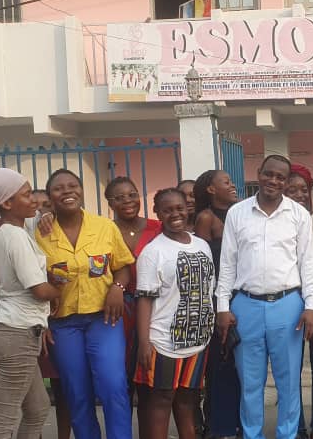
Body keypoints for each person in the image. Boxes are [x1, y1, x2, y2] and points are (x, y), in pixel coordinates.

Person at [215, 154, 313, 439]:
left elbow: (308, 264)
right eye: (269, 174)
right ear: (258, 173)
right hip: (246, 305)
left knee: (289, 382)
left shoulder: (298, 215)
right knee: (250, 382)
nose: (273, 180)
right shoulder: (237, 213)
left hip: (288, 306)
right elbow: (227, 263)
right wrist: (223, 306)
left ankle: (287, 434)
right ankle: (252, 434)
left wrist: (311, 306)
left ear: (286, 182)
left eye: (280, 177)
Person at [36, 169, 136, 439]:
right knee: (76, 392)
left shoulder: (104, 227)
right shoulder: (39, 234)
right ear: (50, 197)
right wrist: (41, 321)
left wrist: (117, 288)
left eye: (73, 186)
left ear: (81, 190)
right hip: (62, 324)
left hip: (104, 319)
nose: (67, 191)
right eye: (58, 188)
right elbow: (32, 282)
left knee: (113, 385)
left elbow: (123, 266)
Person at [0, 168, 60, 439]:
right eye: (27, 195)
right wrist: (61, 288)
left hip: (13, 330)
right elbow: (39, 290)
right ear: (7, 203)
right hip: (16, 334)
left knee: (37, 408)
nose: (34, 200)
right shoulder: (14, 236)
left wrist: (46, 216)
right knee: (4, 419)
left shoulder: (12, 231)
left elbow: (43, 218)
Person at [134, 188, 216, 439]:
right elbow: (144, 299)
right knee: (161, 400)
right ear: (158, 213)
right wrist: (144, 342)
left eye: (179, 208)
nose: (175, 214)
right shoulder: (153, 252)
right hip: (164, 341)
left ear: (187, 208)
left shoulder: (201, 244)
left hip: (197, 340)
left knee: (187, 402)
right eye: (167, 210)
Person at [105, 176, 162, 408]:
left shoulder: (158, 228)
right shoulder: (104, 230)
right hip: (119, 308)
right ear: (110, 203)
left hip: (154, 307)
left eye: (132, 195)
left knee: (149, 369)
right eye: (119, 197)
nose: (128, 201)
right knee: (121, 372)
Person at [193, 169, 242, 439]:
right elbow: (203, 262)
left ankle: (240, 421)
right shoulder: (206, 218)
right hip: (218, 297)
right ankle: (218, 424)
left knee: (240, 363)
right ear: (211, 189)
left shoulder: (240, 212)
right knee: (220, 362)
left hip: (242, 293)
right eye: (226, 182)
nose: (232, 185)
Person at [286, 164, 313, 439]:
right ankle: (297, 424)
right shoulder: (277, 223)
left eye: (304, 189)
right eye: (293, 190)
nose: (300, 194)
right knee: (291, 367)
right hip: (288, 301)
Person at [29, 189, 73, 439]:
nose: (40, 210)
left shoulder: (64, 233)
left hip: (60, 318)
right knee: (31, 391)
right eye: (34, 204)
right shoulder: (21, 236)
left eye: (46, 205)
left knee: (62, 384)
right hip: (32, 319)